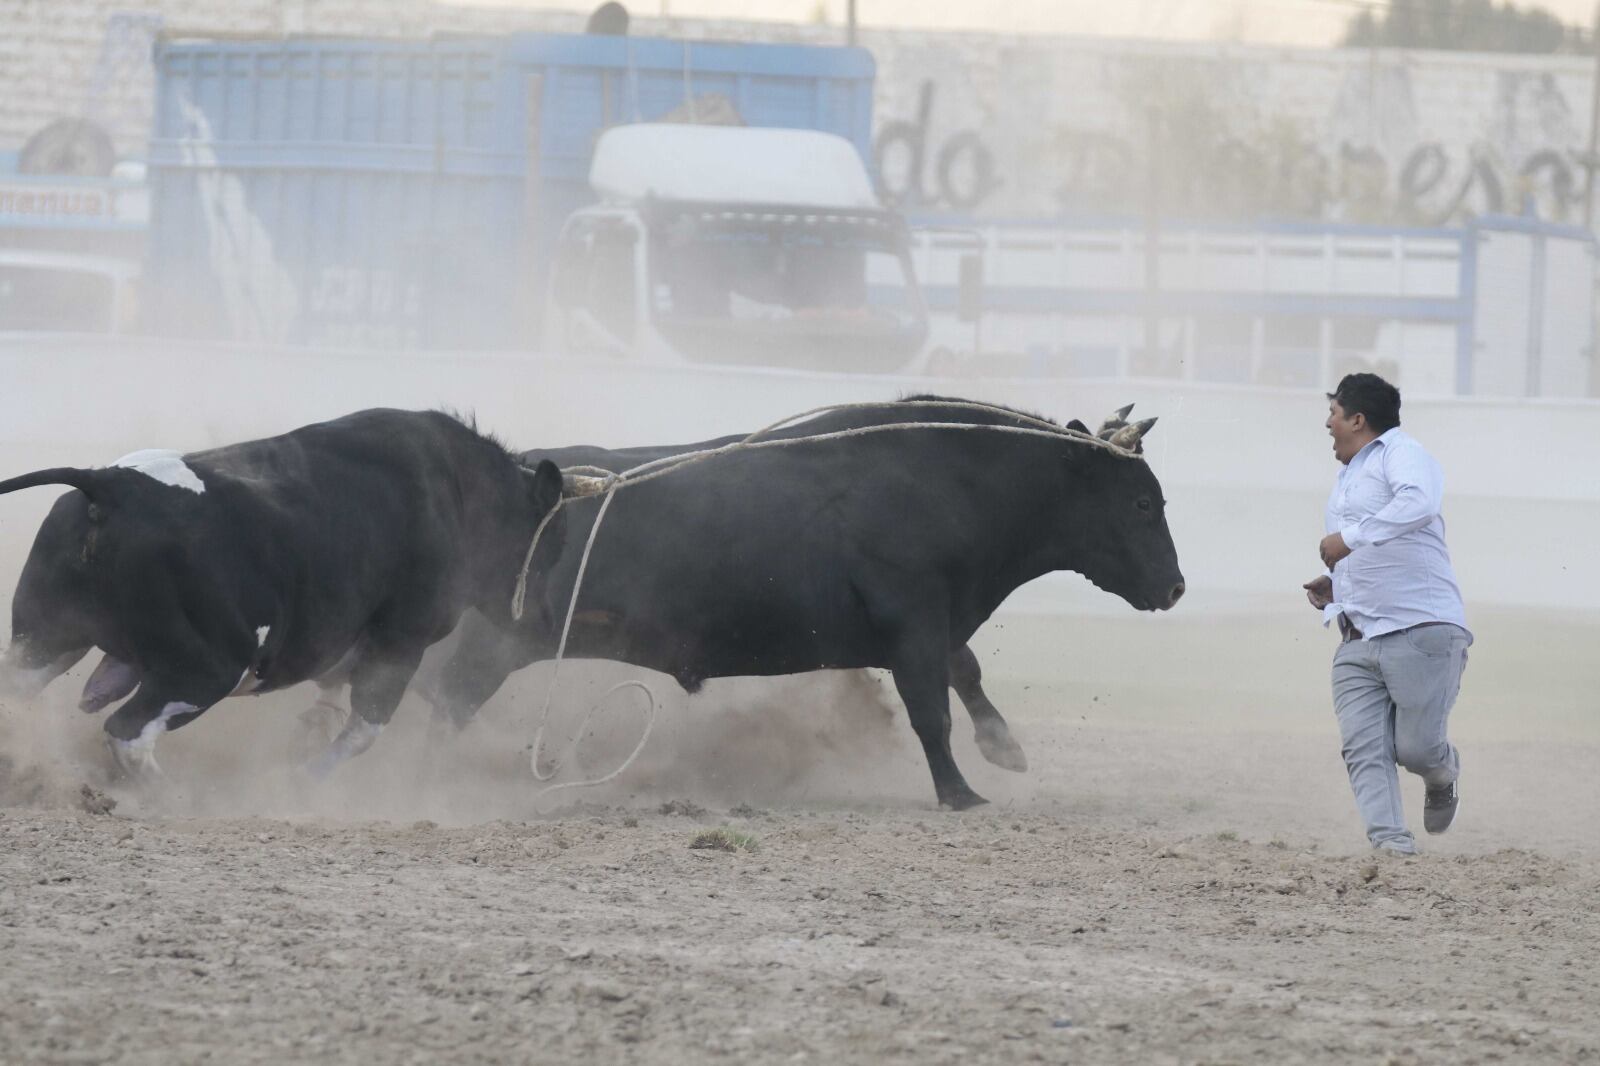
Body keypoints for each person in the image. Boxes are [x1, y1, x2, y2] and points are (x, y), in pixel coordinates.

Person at [1302, 373, 1472, 855]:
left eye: (1333, 414)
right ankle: (1392, 847)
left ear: (1358, 419)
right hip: (1356, 636)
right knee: (1363, 748)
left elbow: (1417, 504)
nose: (1327, 424)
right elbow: (1382, 544)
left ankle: (1443, 771)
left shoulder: (1403, 453)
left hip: (1420, 630)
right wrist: (1337, 585)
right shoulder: (1348, 476)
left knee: (1415, 750)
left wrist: (1348, 540)